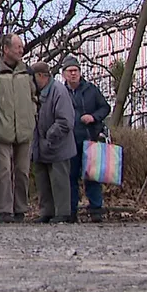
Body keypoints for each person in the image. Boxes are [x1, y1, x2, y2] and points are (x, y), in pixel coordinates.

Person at [0, 33, 35, 223]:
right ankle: (3, 210)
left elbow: (35, 98)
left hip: (24, 131)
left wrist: (33, 115)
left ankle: (20, 209)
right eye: (17, 47)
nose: (21, 50)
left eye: (21, 47)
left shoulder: (27, 73)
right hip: (2, 131)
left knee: (23, 172)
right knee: (4, 171)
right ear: (6, 49)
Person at [60, 55, 111, 223]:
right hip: (69, 141)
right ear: (64, 74)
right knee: (71, 177)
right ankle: (71, 211)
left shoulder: (91, 89)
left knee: (92, 176)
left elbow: (105, 107)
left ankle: (96, 210)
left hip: (90, 139)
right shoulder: (60, 92)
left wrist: (94, 117)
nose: (73, 74)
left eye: (76, 70)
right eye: (70, 71)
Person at [30, 61, 75, 223]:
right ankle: (47, 212)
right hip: (42, 147)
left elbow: (65, 121)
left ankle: (62, 213)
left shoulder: (59, 91)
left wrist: (50, 136)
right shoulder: (39, 93)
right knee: (44, 182)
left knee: (59, 181)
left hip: (57, 146)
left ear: (42, 76)